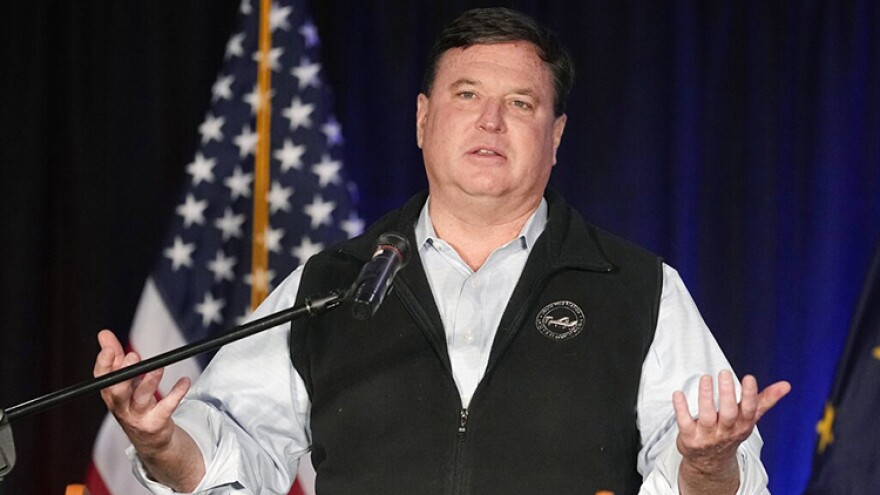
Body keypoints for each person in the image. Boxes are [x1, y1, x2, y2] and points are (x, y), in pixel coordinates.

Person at [95, 7, 790, 495]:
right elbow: (236, 453)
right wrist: (162, 444)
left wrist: (706, 466)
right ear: (424, 119)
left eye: (521, 103)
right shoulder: (331, 284)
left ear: (556, 138)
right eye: (467, 94)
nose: (491, 119)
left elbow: (718, 472)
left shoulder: (639, 290)